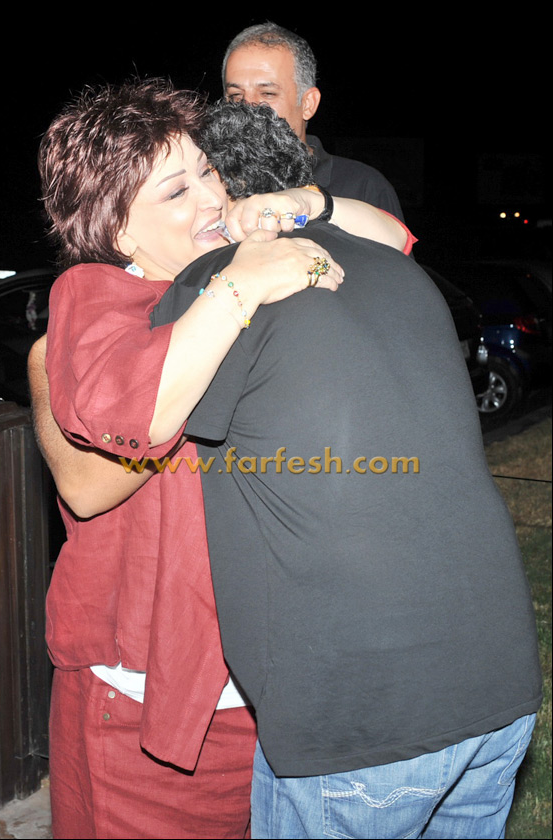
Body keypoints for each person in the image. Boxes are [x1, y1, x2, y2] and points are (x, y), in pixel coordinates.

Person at [149, 101, 543, 839]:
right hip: (498, 683)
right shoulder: (404, 273)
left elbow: (136, 427)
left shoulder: (220, 285)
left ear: (220, 200)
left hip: (363, 715)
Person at [30, 79, 407, 840]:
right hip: (142, 706)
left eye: (208, 171)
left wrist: (303, 206)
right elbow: (91, 480)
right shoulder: (96, 308)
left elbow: (393, 242)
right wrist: (237, 286)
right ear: (118, 229)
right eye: (176, 190)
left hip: (270, 700)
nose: (211, 197)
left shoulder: (243, 280)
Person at [222, 21, 406, 220]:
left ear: (308, 103)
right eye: (235, 96)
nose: (248, 107)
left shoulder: (363, 188)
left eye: (268, 93)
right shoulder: (213, 189)